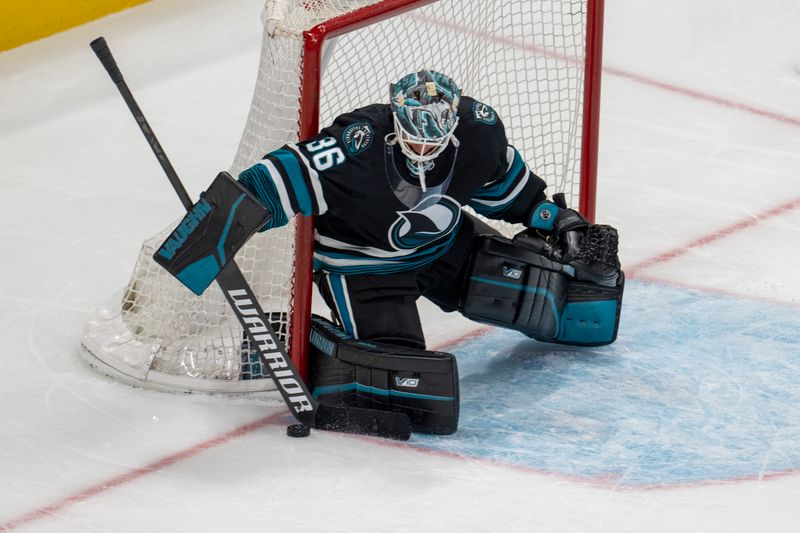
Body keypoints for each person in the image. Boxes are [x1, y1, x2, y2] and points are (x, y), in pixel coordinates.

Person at [162, 70, 623, 434]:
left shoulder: (478, 132)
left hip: (446, 246)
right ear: (396, 119)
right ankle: (298, 340)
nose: (424, 147)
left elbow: (507, 189)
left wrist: (554, 218)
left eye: (434, 137)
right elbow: (275, 179)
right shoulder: (354, 146)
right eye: (414, 135)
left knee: (542, 289)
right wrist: (217, 226)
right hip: (364, 271)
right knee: (404, 384)